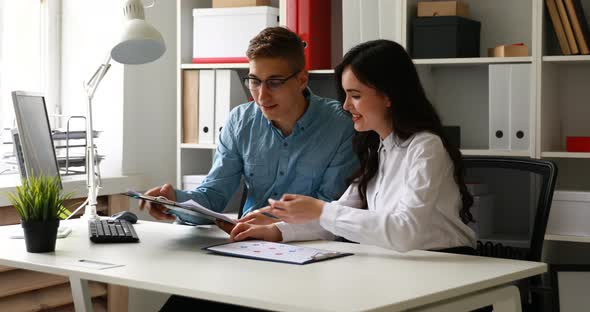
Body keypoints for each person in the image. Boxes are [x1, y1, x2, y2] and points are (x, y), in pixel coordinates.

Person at [230, 39, 477, 254]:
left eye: (355, 95)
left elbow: (405, 232)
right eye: (345, 95)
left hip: (447, 261)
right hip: (403, 264)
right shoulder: (377, 150)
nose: (346, 106)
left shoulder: (425, 147)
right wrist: (274, 231)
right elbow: (339, 217)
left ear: (388, 95)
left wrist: (320, 209)